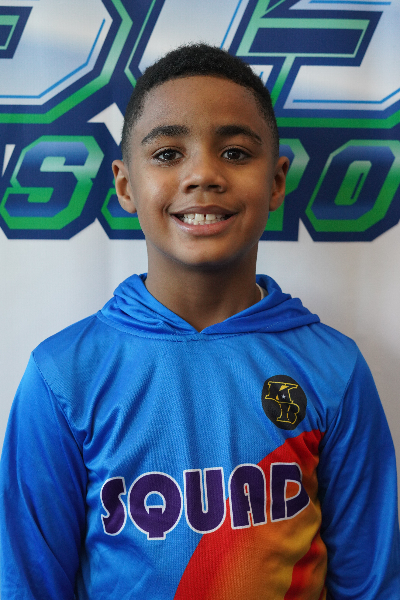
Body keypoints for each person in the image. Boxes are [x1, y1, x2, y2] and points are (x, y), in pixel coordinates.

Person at [0, 43, 399, 600]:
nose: (203, 174)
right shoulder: (62, 375)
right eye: (167, 154)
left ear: (276, 181)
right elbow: (28, 584)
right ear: (125, 185)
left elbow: (372, 585)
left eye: (235, 152)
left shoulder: (335, 368)